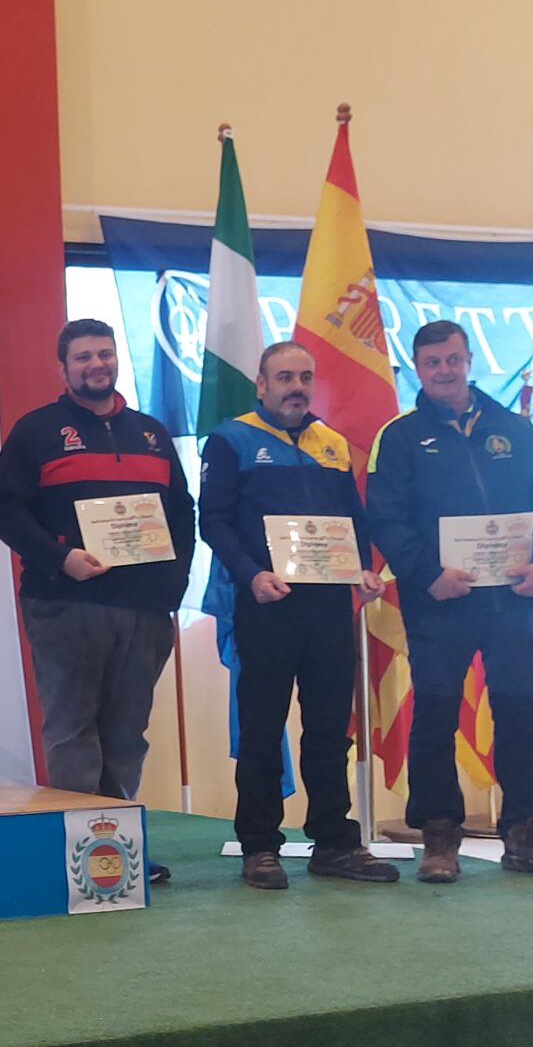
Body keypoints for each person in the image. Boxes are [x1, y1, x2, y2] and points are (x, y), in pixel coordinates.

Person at [366, 320, 533, 882]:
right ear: (417, 369)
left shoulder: (514, 430)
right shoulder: (401, 437)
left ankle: (526, 833)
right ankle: (439, 836)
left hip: (513, 601)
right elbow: (386, 518)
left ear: (468, 361)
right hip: (440, 602)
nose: (444, 370)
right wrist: (427, 575)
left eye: (453, 359)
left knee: (519, 716)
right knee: (434, 717)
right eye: (432, 362)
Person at [0, 319, 193, 881]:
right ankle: (79, 857)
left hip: (144, 610)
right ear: (64, 368)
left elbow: (182, 513)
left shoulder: (151, 433)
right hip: (65, 604)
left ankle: (118, 851)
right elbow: (6, 510)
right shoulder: (37, 431)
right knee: (73, 732)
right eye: (83, 357)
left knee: (126, 736)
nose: (96, 364)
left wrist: (173, 586)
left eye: (105, 353)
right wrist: (61, 558)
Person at [199, 342, 400, 889]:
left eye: (305, 377)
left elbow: (352, 521)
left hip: (329, 607)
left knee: (331, 729)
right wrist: (251, 575)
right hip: (266, 603)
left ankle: (334, 841)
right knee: (262, 728)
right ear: (262, 384)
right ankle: (260, 846)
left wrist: (362, 570)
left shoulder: (331, 443)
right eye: (285, 377)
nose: (297, 387)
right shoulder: (232, 440)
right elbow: (213, 521)